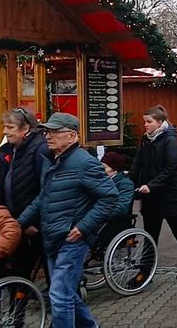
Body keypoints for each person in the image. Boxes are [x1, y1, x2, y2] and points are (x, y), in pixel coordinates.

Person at [18, 112, 118, 328]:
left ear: (72, 136)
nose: (48, 136)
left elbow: (110, 197)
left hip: (71, 239)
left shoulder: (84, 163)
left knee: (59, 295)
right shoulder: (55, 161)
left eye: (54, 132)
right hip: (54, 237)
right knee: (66, 293)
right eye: (47, 131)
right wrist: (19, 223)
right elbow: (43, 198)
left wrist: (83, 227)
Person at [130, 106, 177, 281]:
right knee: (150, 235)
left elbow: (170, 169)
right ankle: (145, 272)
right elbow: (137, 164)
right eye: (145, 121)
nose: (145, 125)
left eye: (149, 121)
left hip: (170, 196)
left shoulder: (170, 141)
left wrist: (151, 185)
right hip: (151, 198)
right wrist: (132, 182)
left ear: (160, 123)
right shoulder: (146, 139)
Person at [0, 107, 47, 281]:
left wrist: (31, 221)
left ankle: (58, 304)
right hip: (14, 221)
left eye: (10, 127)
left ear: (25, 128)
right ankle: (19, 304)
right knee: (18, 270)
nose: (5, 131)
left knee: (41, 266)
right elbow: (1, 185)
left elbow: (44, 189)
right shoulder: (7, 150)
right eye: (5, 126)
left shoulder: (40, 149)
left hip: (34, 225)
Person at [100, 151, 135, 219]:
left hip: (112, 220)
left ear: (115, 170)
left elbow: (121, 208)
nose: (101, 170)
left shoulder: (126, 184)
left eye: (104, 168)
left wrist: (96, 214)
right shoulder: (100, 180)